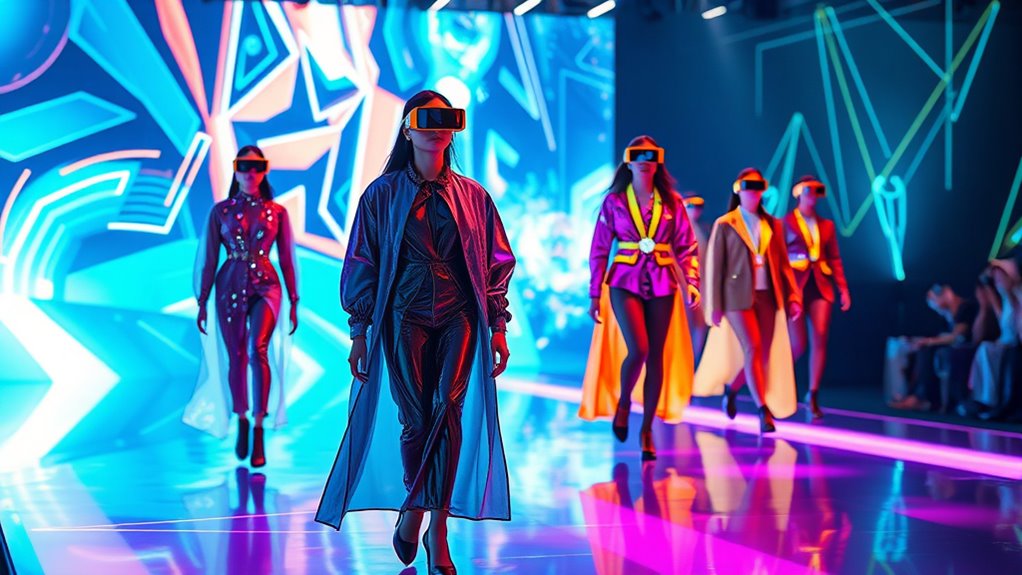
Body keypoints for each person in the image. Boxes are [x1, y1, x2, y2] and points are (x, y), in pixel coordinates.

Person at [315, 90, 515, 575]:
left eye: (446, 119)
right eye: (426, 119)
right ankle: (414, 510)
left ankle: (436, 529)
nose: (436, 128)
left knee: (449, 410)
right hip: (403, 316)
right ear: (407, 129)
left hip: (459, 315)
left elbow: (496, 264)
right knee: (415, 420)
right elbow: (362, 263)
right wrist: (359, 332)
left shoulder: (474, 197)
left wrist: (497, 326)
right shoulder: (381, 195)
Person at [580, 136, 701, 461]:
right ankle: (624, 404)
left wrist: (691, 282)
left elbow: (687, 246)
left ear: (659, 160)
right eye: (638, 154)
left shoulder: (672, 202)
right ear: (627, 161)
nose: (645, 160)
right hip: (624, 280)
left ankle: (647, 429)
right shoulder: (614, 202)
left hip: (663, 281)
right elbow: (599, 249)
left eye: (651, 155)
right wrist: (595, 293)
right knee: (640, 349)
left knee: (656, 355)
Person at [187, 145, 299, 468]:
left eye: (257, 166)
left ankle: (260, 426)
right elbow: (209, 257)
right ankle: (241, 418)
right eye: (244, 166)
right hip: (229, 285)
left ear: (265, 170)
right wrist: (202, 300)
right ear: (235, 170)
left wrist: (294, 299)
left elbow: (287, 259)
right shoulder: (220, 211)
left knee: (258, 349)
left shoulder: (278, 213)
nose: (250, 172)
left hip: (267, 286)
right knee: (236, 355)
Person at [694, 168, 802, 433]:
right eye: (748, 186)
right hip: (735, 297)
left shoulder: (773, 224)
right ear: (738, 189)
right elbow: (716, 267)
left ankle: (733, 388)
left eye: (758, 186)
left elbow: (783, 265)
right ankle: (763, 410)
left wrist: (793, 295)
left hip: (767, 295)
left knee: (761, 353)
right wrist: (715, 305)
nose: (753, 191)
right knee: (753, 347)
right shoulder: (726, 223)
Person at [782, 176, 850, 419]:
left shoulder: (826, 225)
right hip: (795, 285)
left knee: (820, 336)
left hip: (820, 284)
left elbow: (835, 258)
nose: (813, 196)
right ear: (798, 193)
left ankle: (812, 394)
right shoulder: (786, 222)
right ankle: (779, 382)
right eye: (809, 190)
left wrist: (843, 288)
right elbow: (779, 257)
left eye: (817, 191)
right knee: (797, 343)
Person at [889, 284, 978, 411]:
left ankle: (921, 397)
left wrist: (929, 342)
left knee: (927, 351)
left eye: (934, 299)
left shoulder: (965, 308)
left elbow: (957, 336)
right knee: (919, 350)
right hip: (952, 348)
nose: (935, 305)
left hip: (965, 349)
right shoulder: (947, 314)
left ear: (946, 294)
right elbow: (942, 335)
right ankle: (912, 395)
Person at [684, 194, 711, 361]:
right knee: (686, 325)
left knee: (701, 325)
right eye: (690, 206)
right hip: (684, 285)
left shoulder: (703, 229)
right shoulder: (677, 229)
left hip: (702, 285)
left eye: (699, 206)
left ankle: (694, 362)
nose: (695, 210)